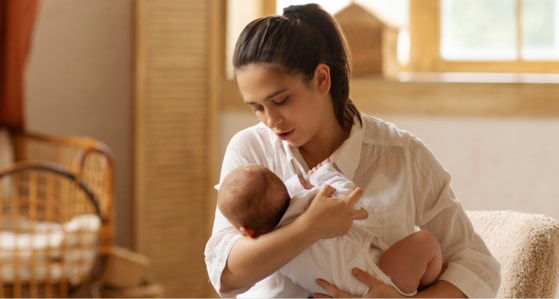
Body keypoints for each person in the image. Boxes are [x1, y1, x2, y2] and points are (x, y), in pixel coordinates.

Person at [204, 3, 501, 298]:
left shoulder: (401, 154)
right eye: (257, 108)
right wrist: (309, 228)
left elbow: (478, 264)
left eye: (280, 100)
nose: (271, 120)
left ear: (322, 79)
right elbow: (226, 274)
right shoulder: (250, 151)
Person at [217, 161, 443, 296]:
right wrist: (325, 173)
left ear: (247, 232)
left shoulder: (275, 255)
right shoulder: (309, 205)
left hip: (345, 291)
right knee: (425, 242)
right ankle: (429, 281)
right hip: (379, 278)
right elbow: (349, 199)